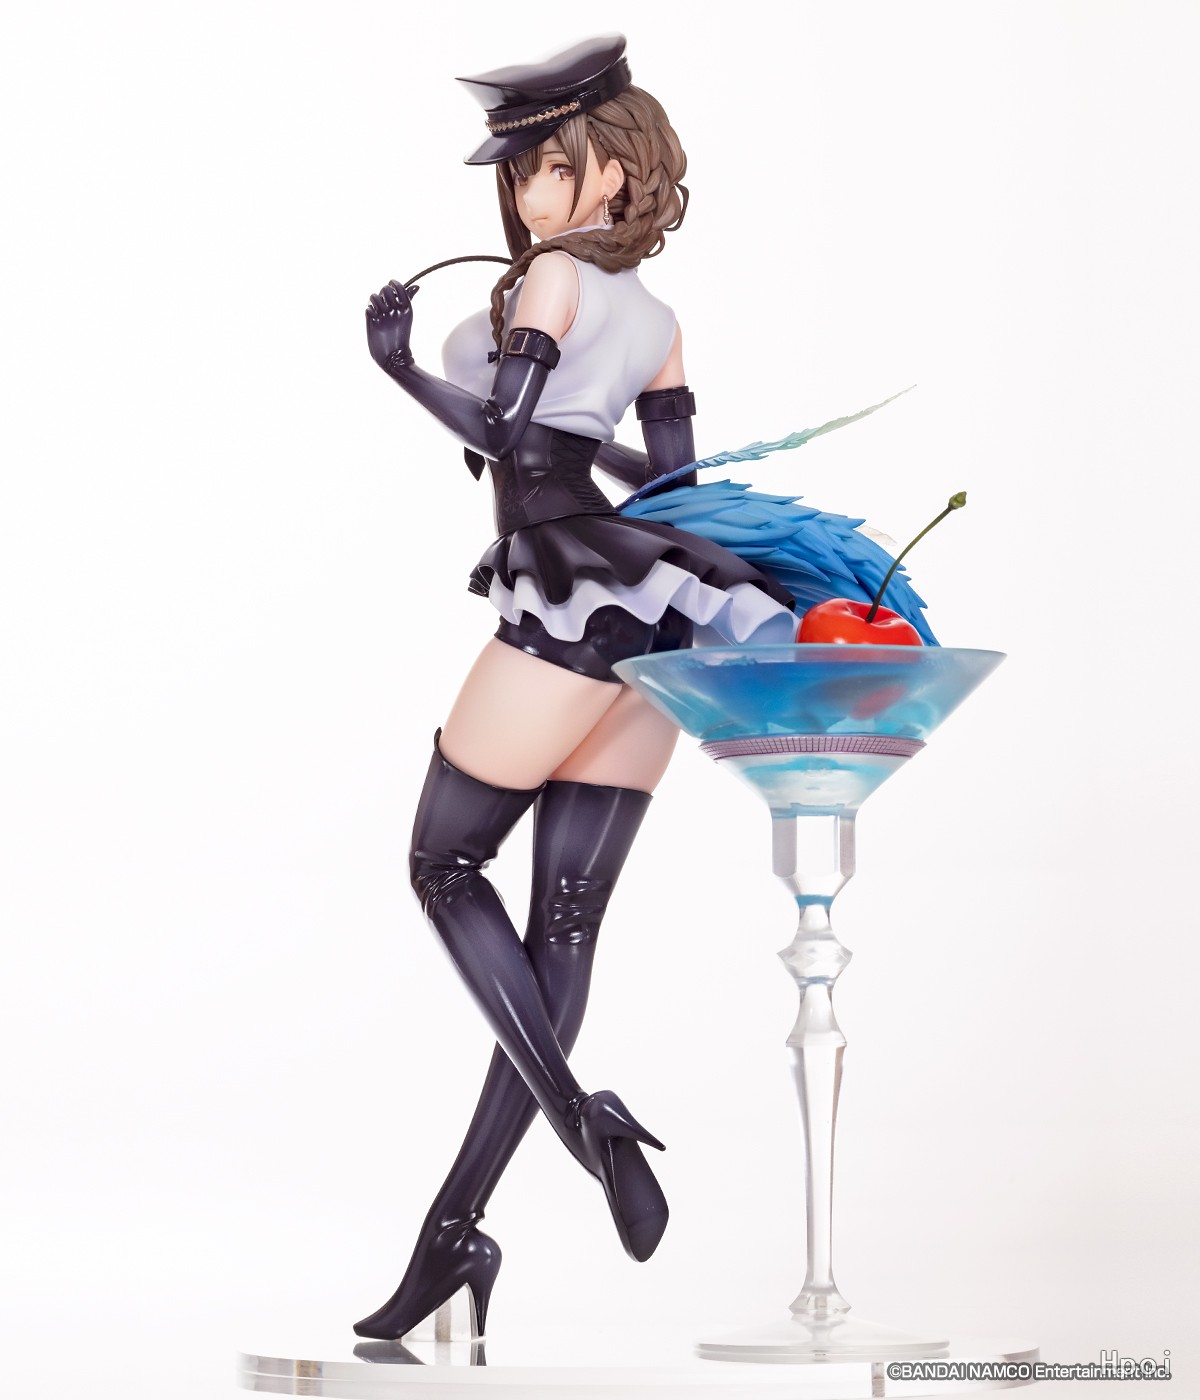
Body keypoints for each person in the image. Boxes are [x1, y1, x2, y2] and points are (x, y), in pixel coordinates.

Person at [354, 35, 799, 1342]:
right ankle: (455, 1233)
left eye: (551, 168)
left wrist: (399, 367)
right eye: (521, 177)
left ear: (616, 169)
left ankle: (583, 1121)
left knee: (444, 866)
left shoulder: (549, 277)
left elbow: (508, 438)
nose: (532, 197)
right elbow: (672, 488)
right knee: (562, 922)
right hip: (655, 621)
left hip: (564, 600)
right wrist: (607, 483)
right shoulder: (659, 321)